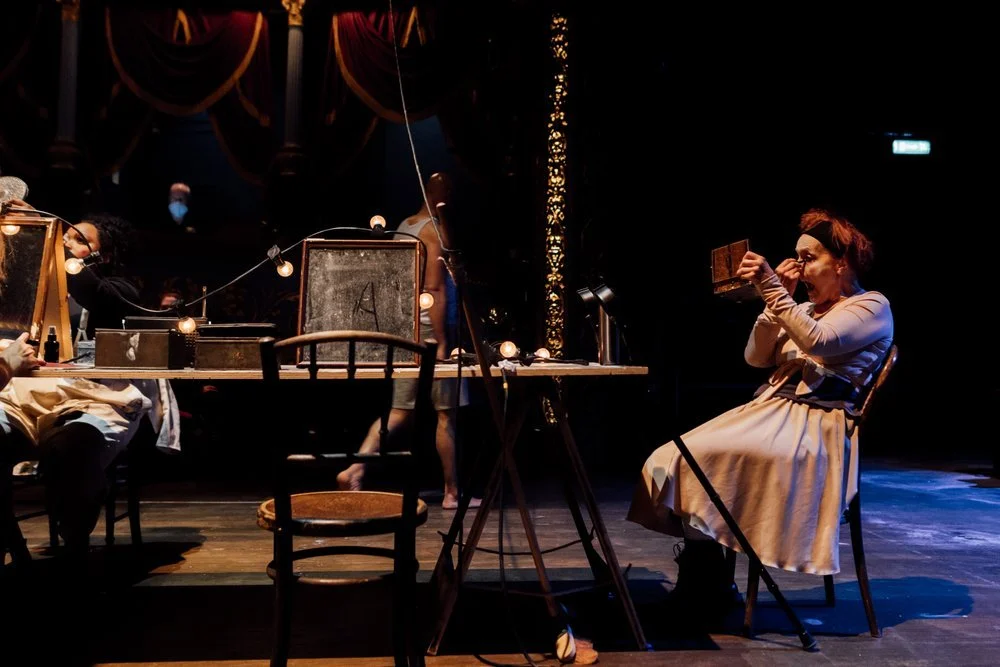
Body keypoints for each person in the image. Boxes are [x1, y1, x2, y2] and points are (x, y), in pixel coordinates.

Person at [627, 208, 893, 624]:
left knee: (701, 461)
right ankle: (710, 578)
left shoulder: (872, 306)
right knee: (673, 458)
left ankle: (708, 587)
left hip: (815, 427)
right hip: (771, 412)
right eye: (797, 258)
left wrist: (773, 290)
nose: (799, 268)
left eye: (809, 259)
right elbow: (755, 357)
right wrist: (775, 303)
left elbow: (820, 342)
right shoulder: (803, 309)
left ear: (841, 263)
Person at [1, 204, 152, 559]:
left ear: (104, 255)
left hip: (93, 397)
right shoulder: (29, 290)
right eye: (62, 236)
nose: (65, 241)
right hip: (24, 395)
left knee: (74, 447)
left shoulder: (117, 290)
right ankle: (11, 543)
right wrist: (29, 229)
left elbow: (99, 294)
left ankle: (74, 552)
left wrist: (52, 244)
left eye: (78, 239)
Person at [337, 173, 479, 510]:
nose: (452, 195)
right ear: (438, 193)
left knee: (399, 412)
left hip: (408, 329)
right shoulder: (431, 231)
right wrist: (442, 342)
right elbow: (435, 288)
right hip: (431, 331)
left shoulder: (406, 225)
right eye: (448, 190)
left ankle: (356, 468)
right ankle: (452, 492)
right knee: (446, 415)